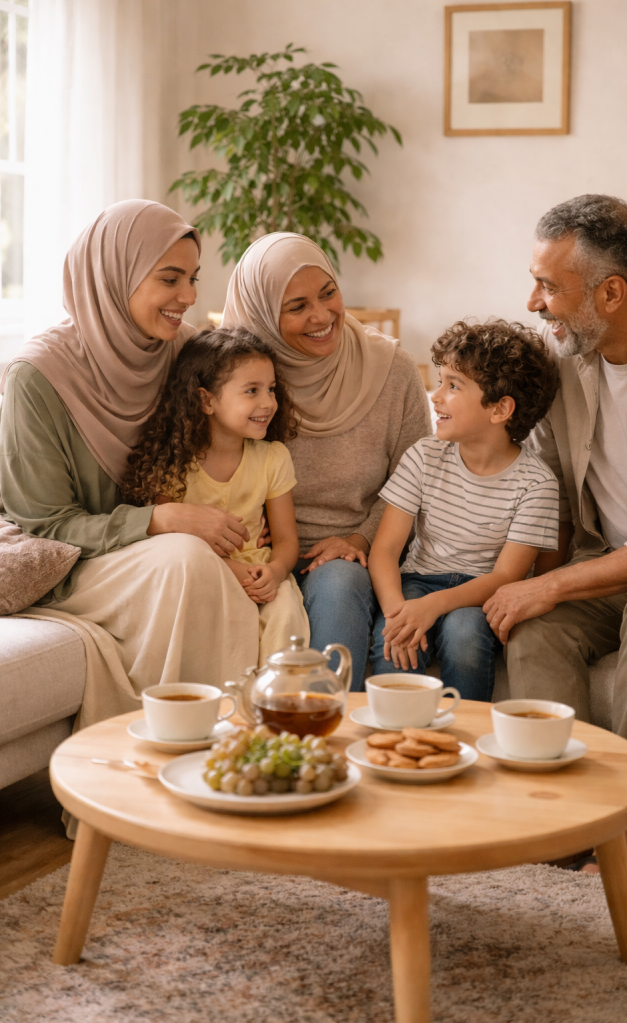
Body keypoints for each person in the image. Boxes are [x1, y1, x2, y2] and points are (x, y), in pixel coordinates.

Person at [0, 200, 262, 736]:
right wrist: (158, 520)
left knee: (233, 571)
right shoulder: (38, 377)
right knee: (184, 560)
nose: (188, 297)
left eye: (192, 278)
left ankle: (244, 757)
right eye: (170, 279)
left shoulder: (186, 353)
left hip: (151, 552)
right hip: (66, 565)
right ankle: (162, 755)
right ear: (113, 276)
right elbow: (43, 525)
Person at [482, 194, 627, 878]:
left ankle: (623, 833)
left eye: (548, 286)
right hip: (604, 558)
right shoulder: (564, 351)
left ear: (612, 291)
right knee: (538, 628)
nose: (533, 302)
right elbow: (533, 470)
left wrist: (551, 581)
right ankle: (558, 822)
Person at [220, 232, 432, 690]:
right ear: (262, 313)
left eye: (328, 293)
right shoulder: (238, 379)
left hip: (358, 552)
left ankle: (331, 738)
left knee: (339, 582)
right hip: (253, 553)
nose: (322, 316)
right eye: (297, 307)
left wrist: (360, 537)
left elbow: (419, 477)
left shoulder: (391, 368)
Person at [368, 320, 560, 700]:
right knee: (390, 642)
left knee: (464, 637)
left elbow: (506, 576)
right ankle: (395, 747)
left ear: (501, 409)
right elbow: (385, 550)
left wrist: (434, 606)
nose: (435, 396)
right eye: (439, 382)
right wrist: (397, 614)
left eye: (453, 385)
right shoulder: (424, 456)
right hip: (417, 579)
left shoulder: (537, 485)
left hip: (480, 593)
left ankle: (464, 745)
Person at [123, 327, 309, 665]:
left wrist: (277, 572)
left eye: (270, 389)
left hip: (261, 575)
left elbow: (286, 539)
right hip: (202, 574)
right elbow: (167, 546)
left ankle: (276, 707)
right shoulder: (173, 462)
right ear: (207, 400)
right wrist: (231, 571)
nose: (268, 402)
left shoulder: (273, 457)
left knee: (286, 620)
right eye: (251, 391)